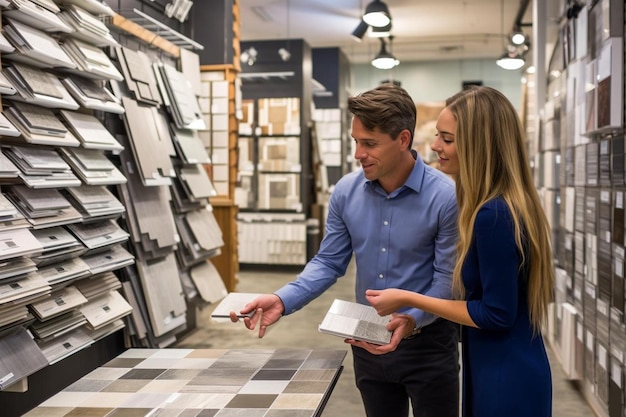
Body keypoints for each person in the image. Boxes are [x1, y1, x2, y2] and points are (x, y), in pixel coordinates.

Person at [230, 83, 460, 417]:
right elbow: (328, 262)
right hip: (367, 342)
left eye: (370, 144)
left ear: (404, 140)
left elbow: (446, 279)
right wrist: (282, 299)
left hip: (428, 344)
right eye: (356, 142)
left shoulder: (445, 197)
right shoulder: (345, 193)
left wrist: (411, 318)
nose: (358, 154)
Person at [366, 86, 554, 417]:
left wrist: (411, 299)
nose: (435, 146)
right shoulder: (502, 204)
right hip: (501, 364)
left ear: (479, 145)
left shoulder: (493, 215)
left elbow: (497, 313)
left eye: (447, 139)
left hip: (504, 378)